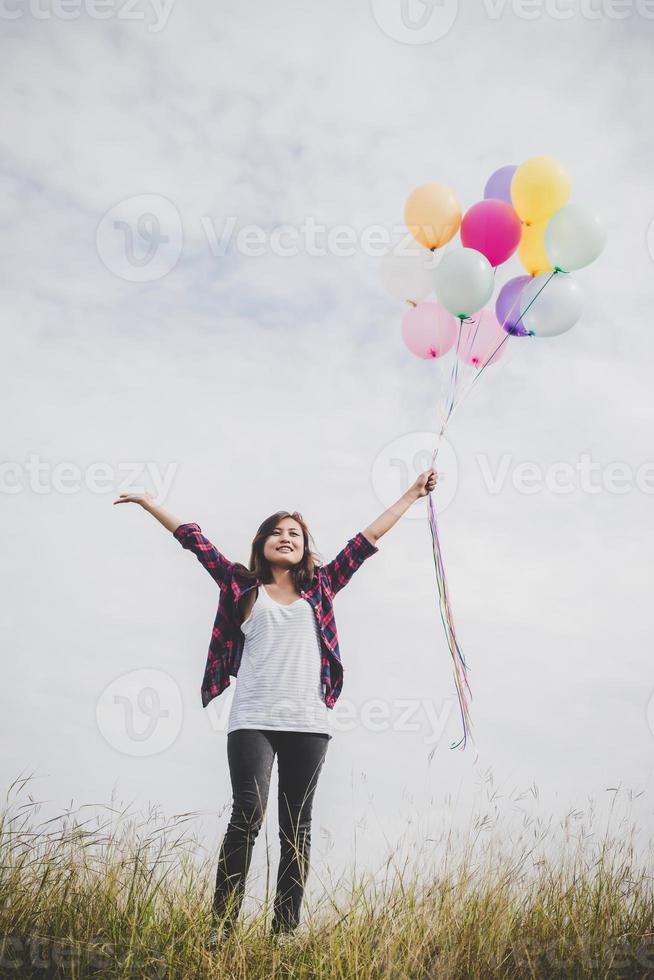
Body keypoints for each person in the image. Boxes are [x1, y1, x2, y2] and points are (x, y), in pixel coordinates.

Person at [113, 466, 438, 943]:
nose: (287, 539)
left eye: (296, 534)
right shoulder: (240, 584)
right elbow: (192, 539)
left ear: (305, 548)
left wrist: (412, 492)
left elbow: (366, 539)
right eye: (277, 532)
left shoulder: (321, 587)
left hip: (308, 723)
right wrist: (148, 502)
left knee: (296, 829)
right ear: (261, 542)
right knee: (247, 814)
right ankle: (220, 930)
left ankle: (283, 933)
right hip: (253, 720)